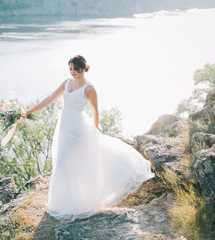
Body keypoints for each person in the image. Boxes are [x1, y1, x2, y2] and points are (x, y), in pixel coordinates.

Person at [21, 55, 155, 222]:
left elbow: (95, 110)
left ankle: (80, 203)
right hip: (64, 126)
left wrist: (96, 126)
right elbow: (49, 99)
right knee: (62, 164)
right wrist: (28, 112)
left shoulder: (89, 88)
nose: (73, 72)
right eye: (70, 69)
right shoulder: (66, 83)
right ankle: (64, 203)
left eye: (76, 69)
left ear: (83, 68)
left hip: (79, 128)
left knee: (70, 163)